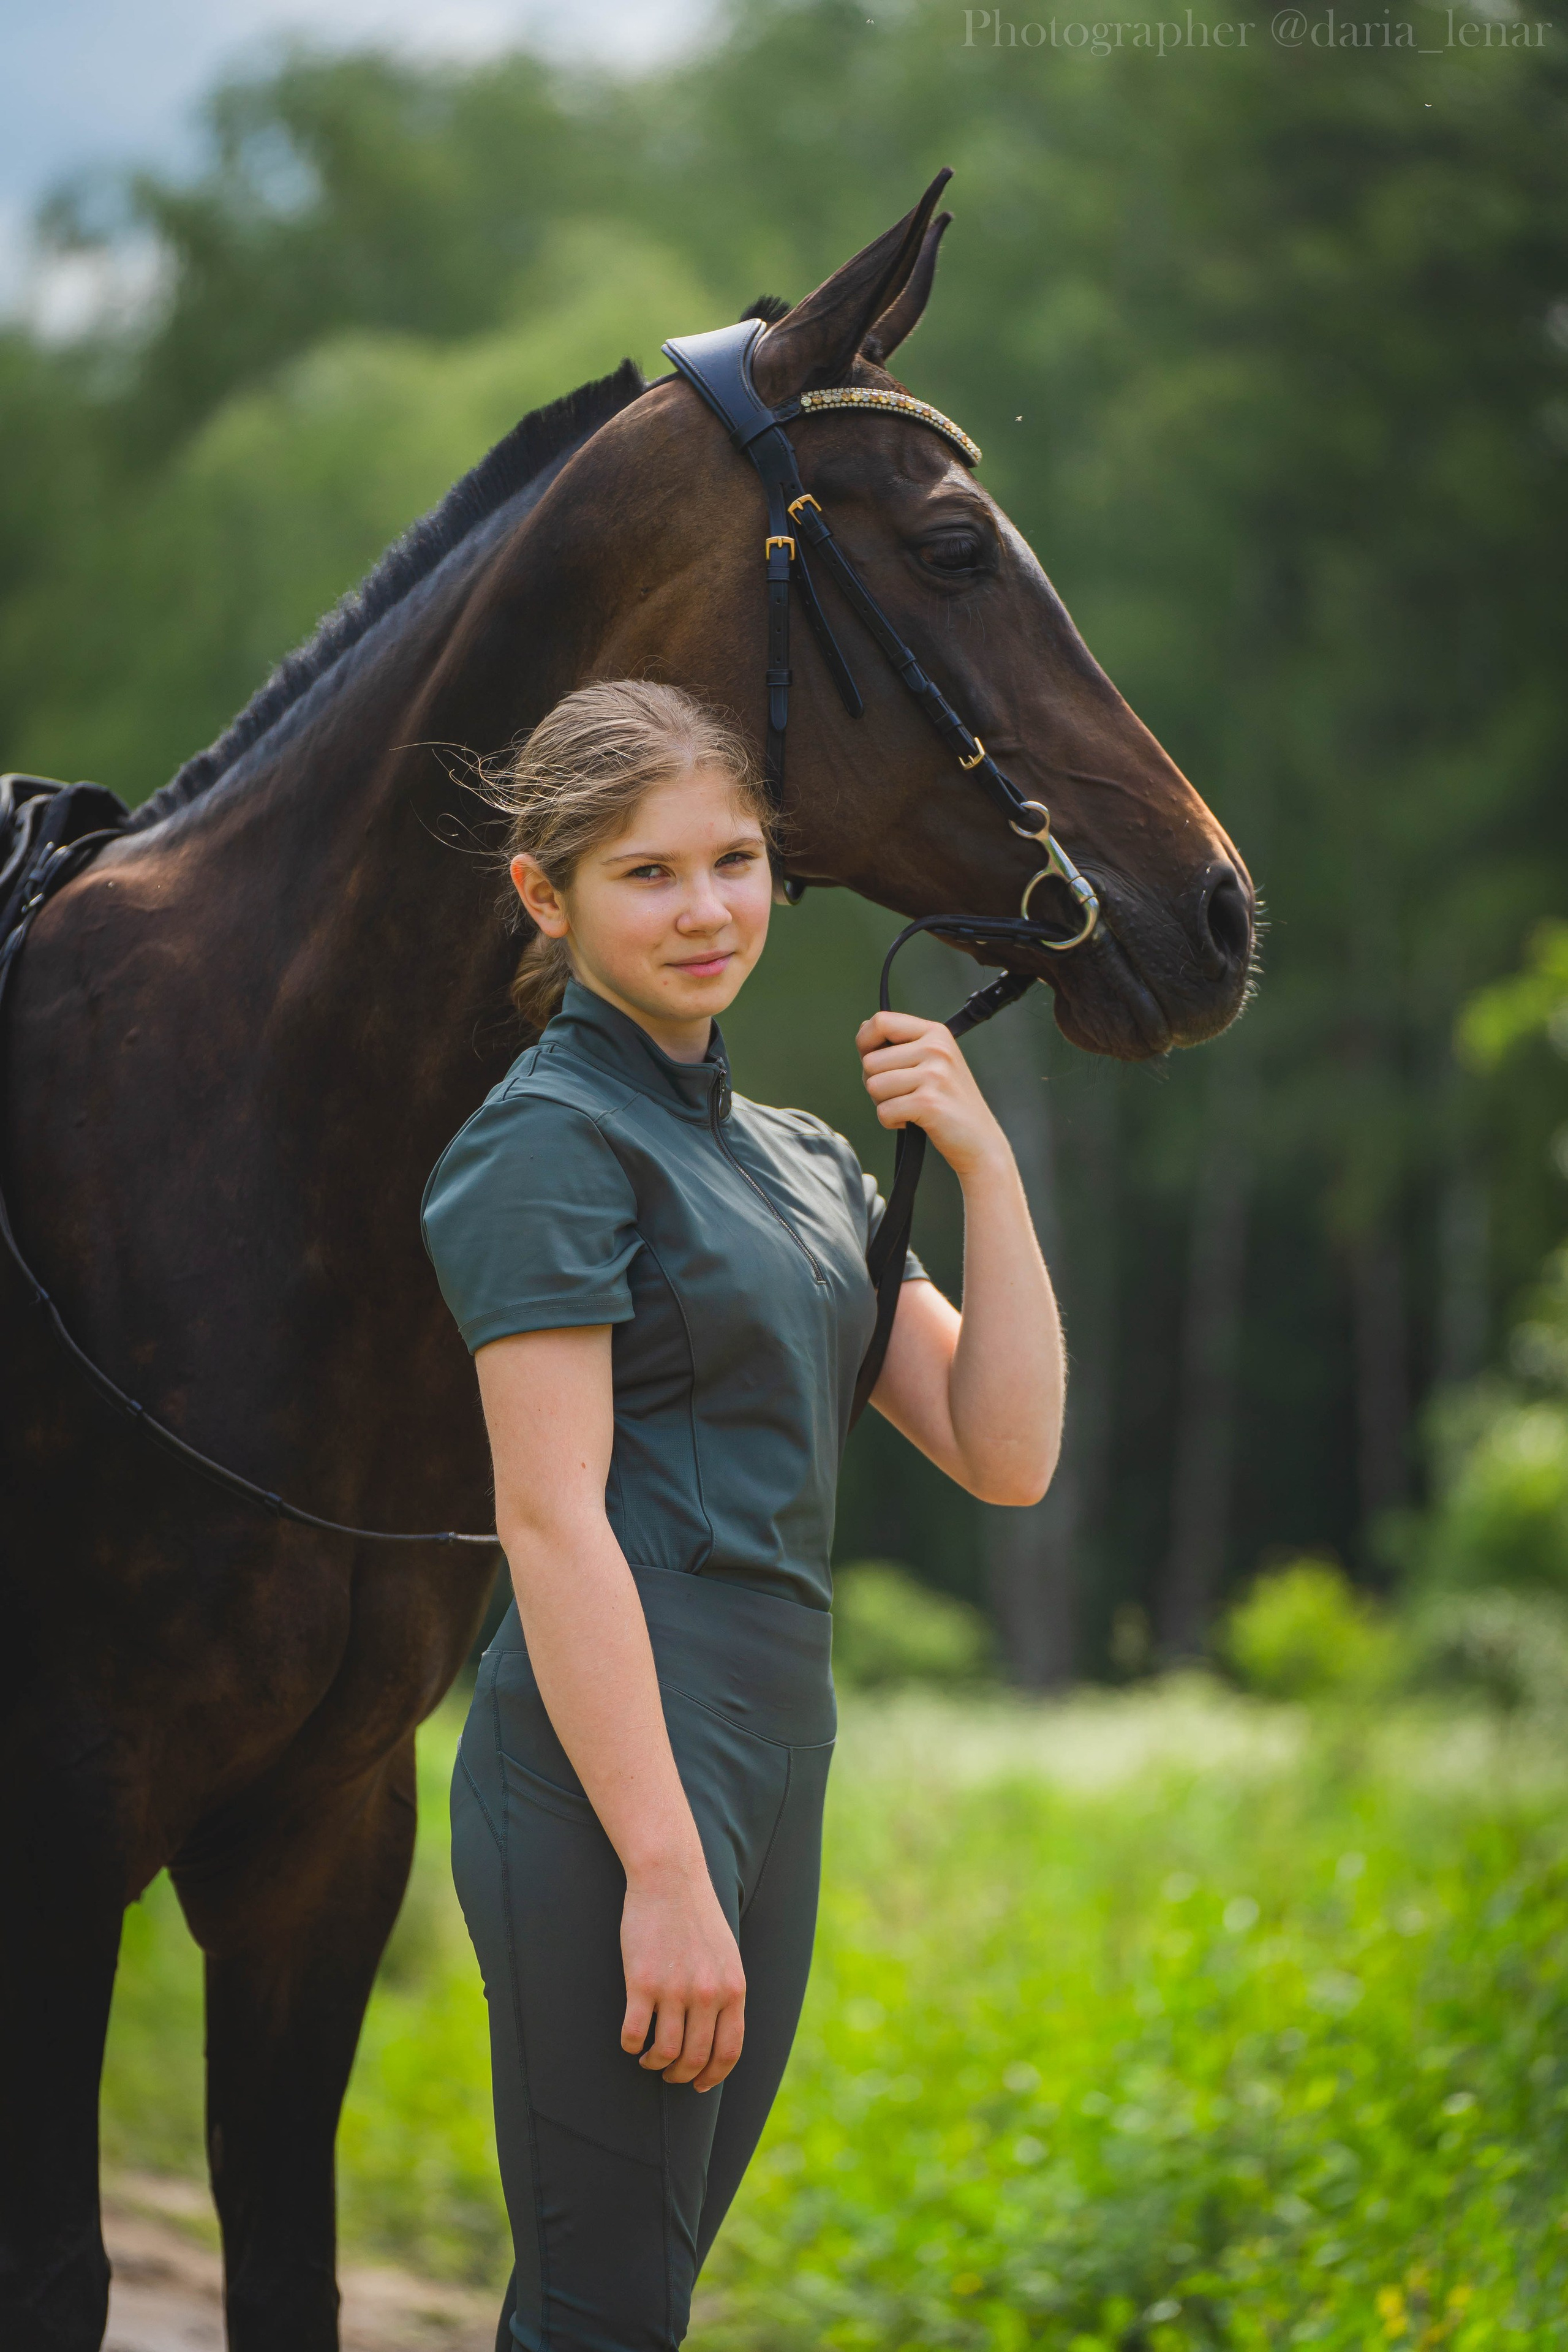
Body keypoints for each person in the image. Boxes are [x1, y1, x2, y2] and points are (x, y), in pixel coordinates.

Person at [421, 679, 1063, 2352]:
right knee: (606, 2309)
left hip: (782, 1748)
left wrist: (985, 1168)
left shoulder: (803, 1165)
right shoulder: (546, 1144)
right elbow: (552, 1522)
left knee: (634, 2304)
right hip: (617, 1773)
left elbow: (1002, 1449)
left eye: (735, 860)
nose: (706, 909)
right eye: (646, 873)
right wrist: (660, 1863)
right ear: (545, 897)